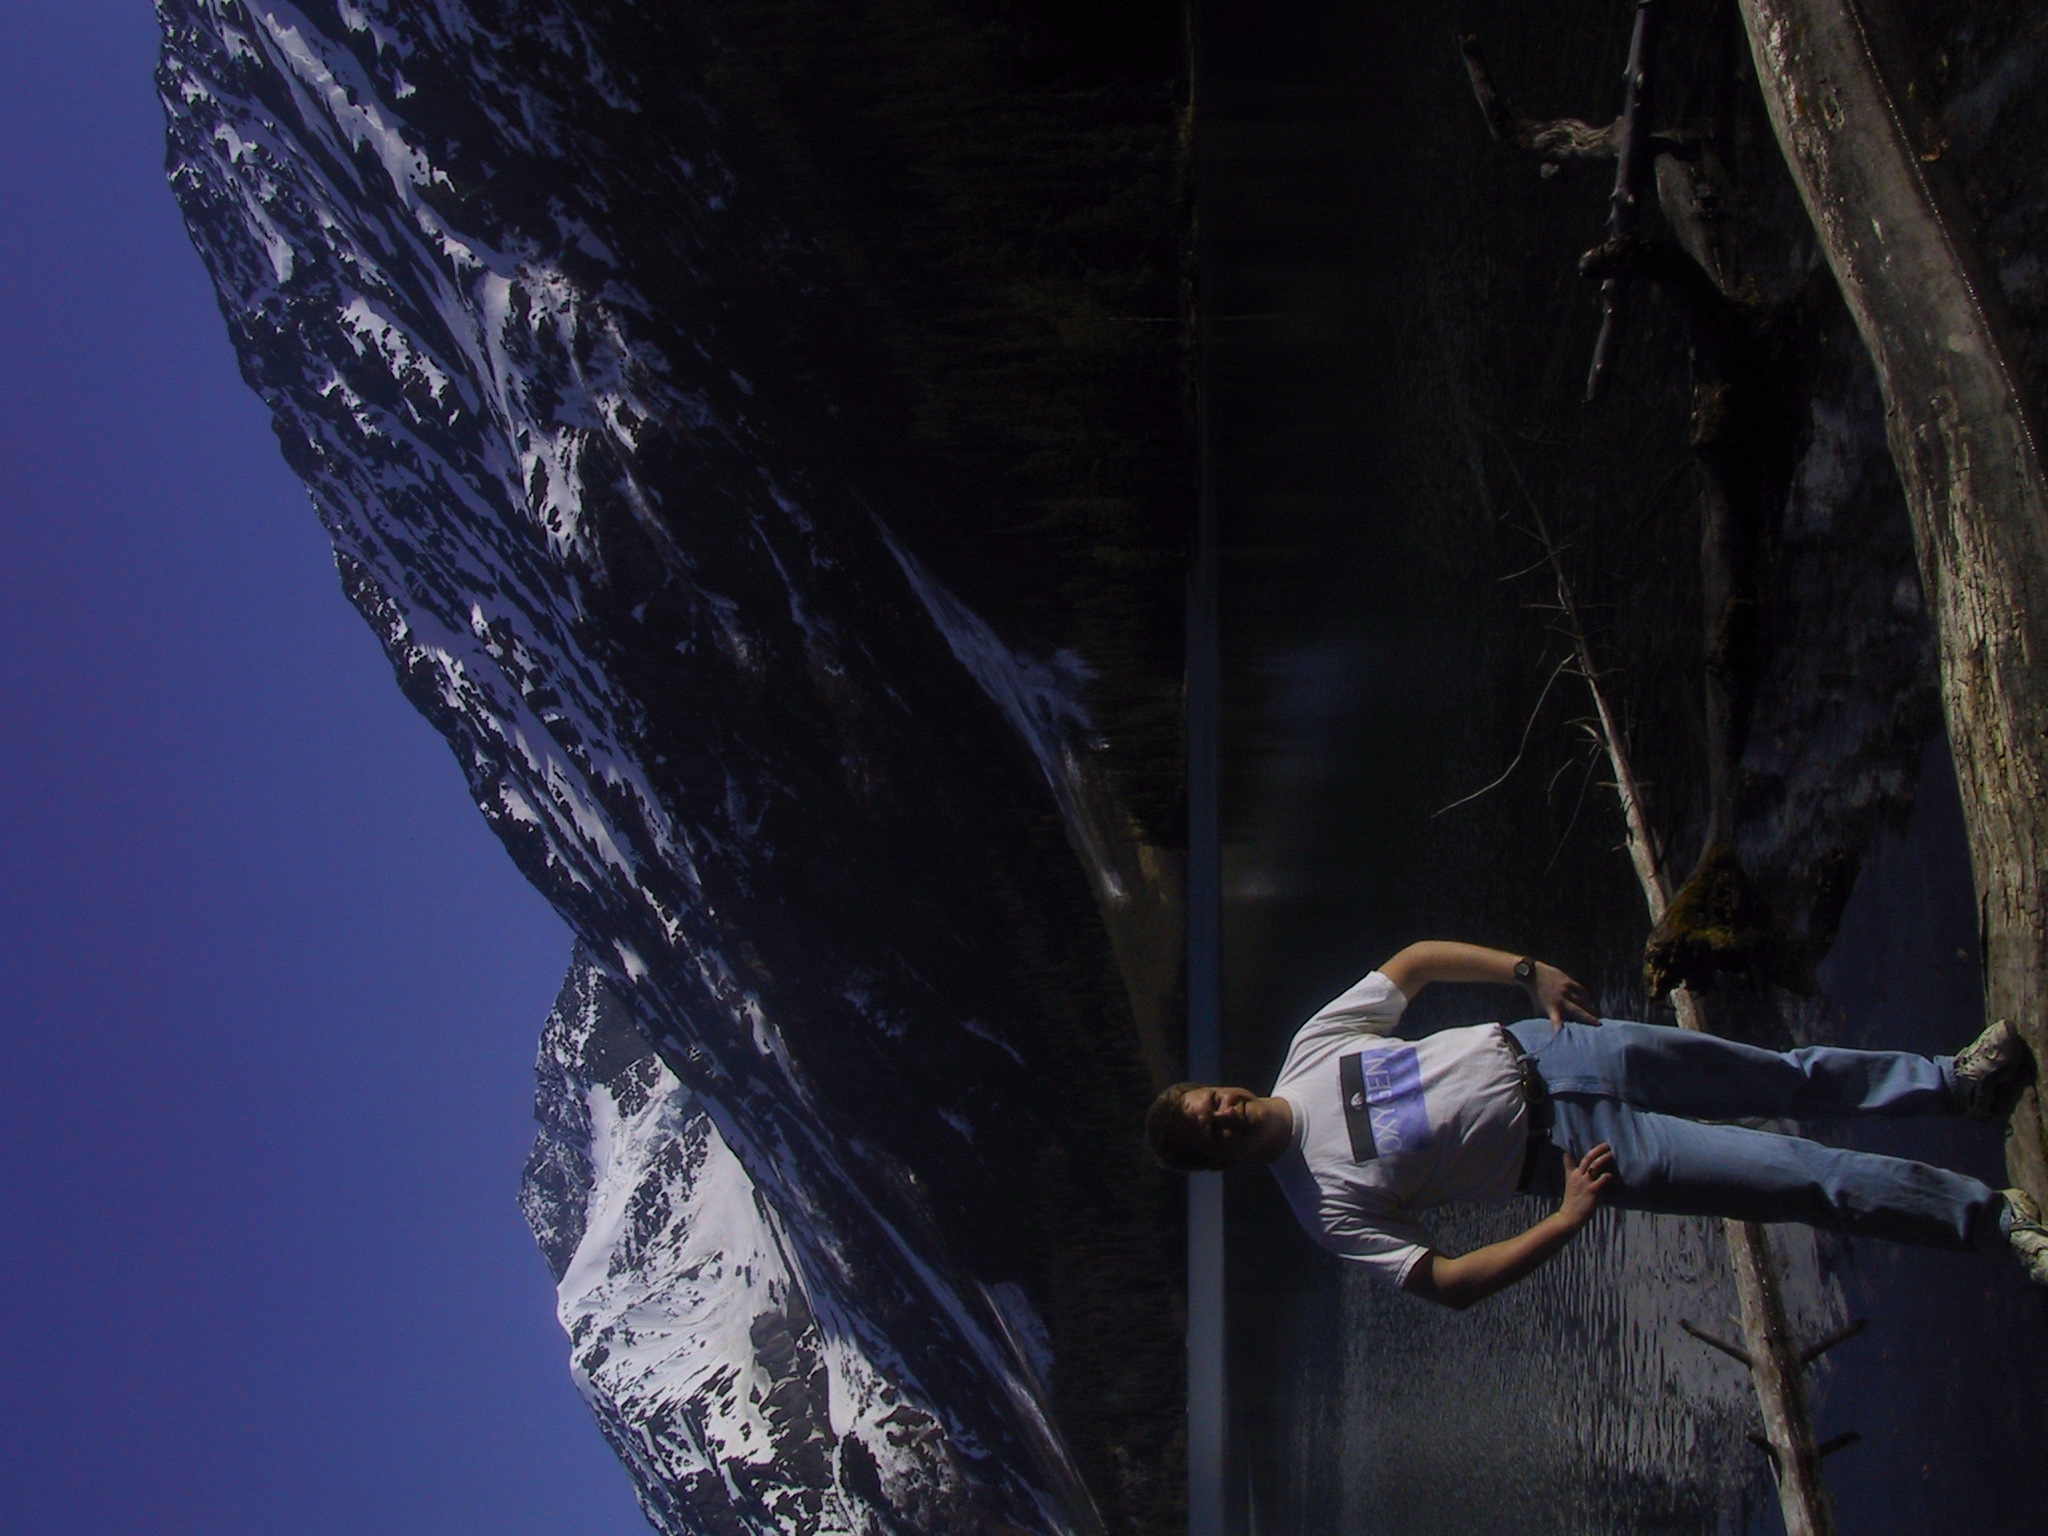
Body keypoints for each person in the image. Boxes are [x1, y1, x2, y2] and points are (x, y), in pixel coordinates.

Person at [1146, 940, 2048, 1308]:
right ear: (1217, 1162)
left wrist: (1525, 971)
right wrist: (1568, 1220)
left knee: (1784, 1075)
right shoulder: (1321, 1206)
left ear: (1217, 1087)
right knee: (1801, 1179)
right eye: (1209, 1133)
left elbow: (1413, 965)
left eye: (1209, 1102)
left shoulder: (1311, 1049)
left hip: (1559, 1050)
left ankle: (1952, 1086)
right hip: (1580, 1157)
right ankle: (1997, 1220)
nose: (1223, 1116)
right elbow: (1448, 1282)